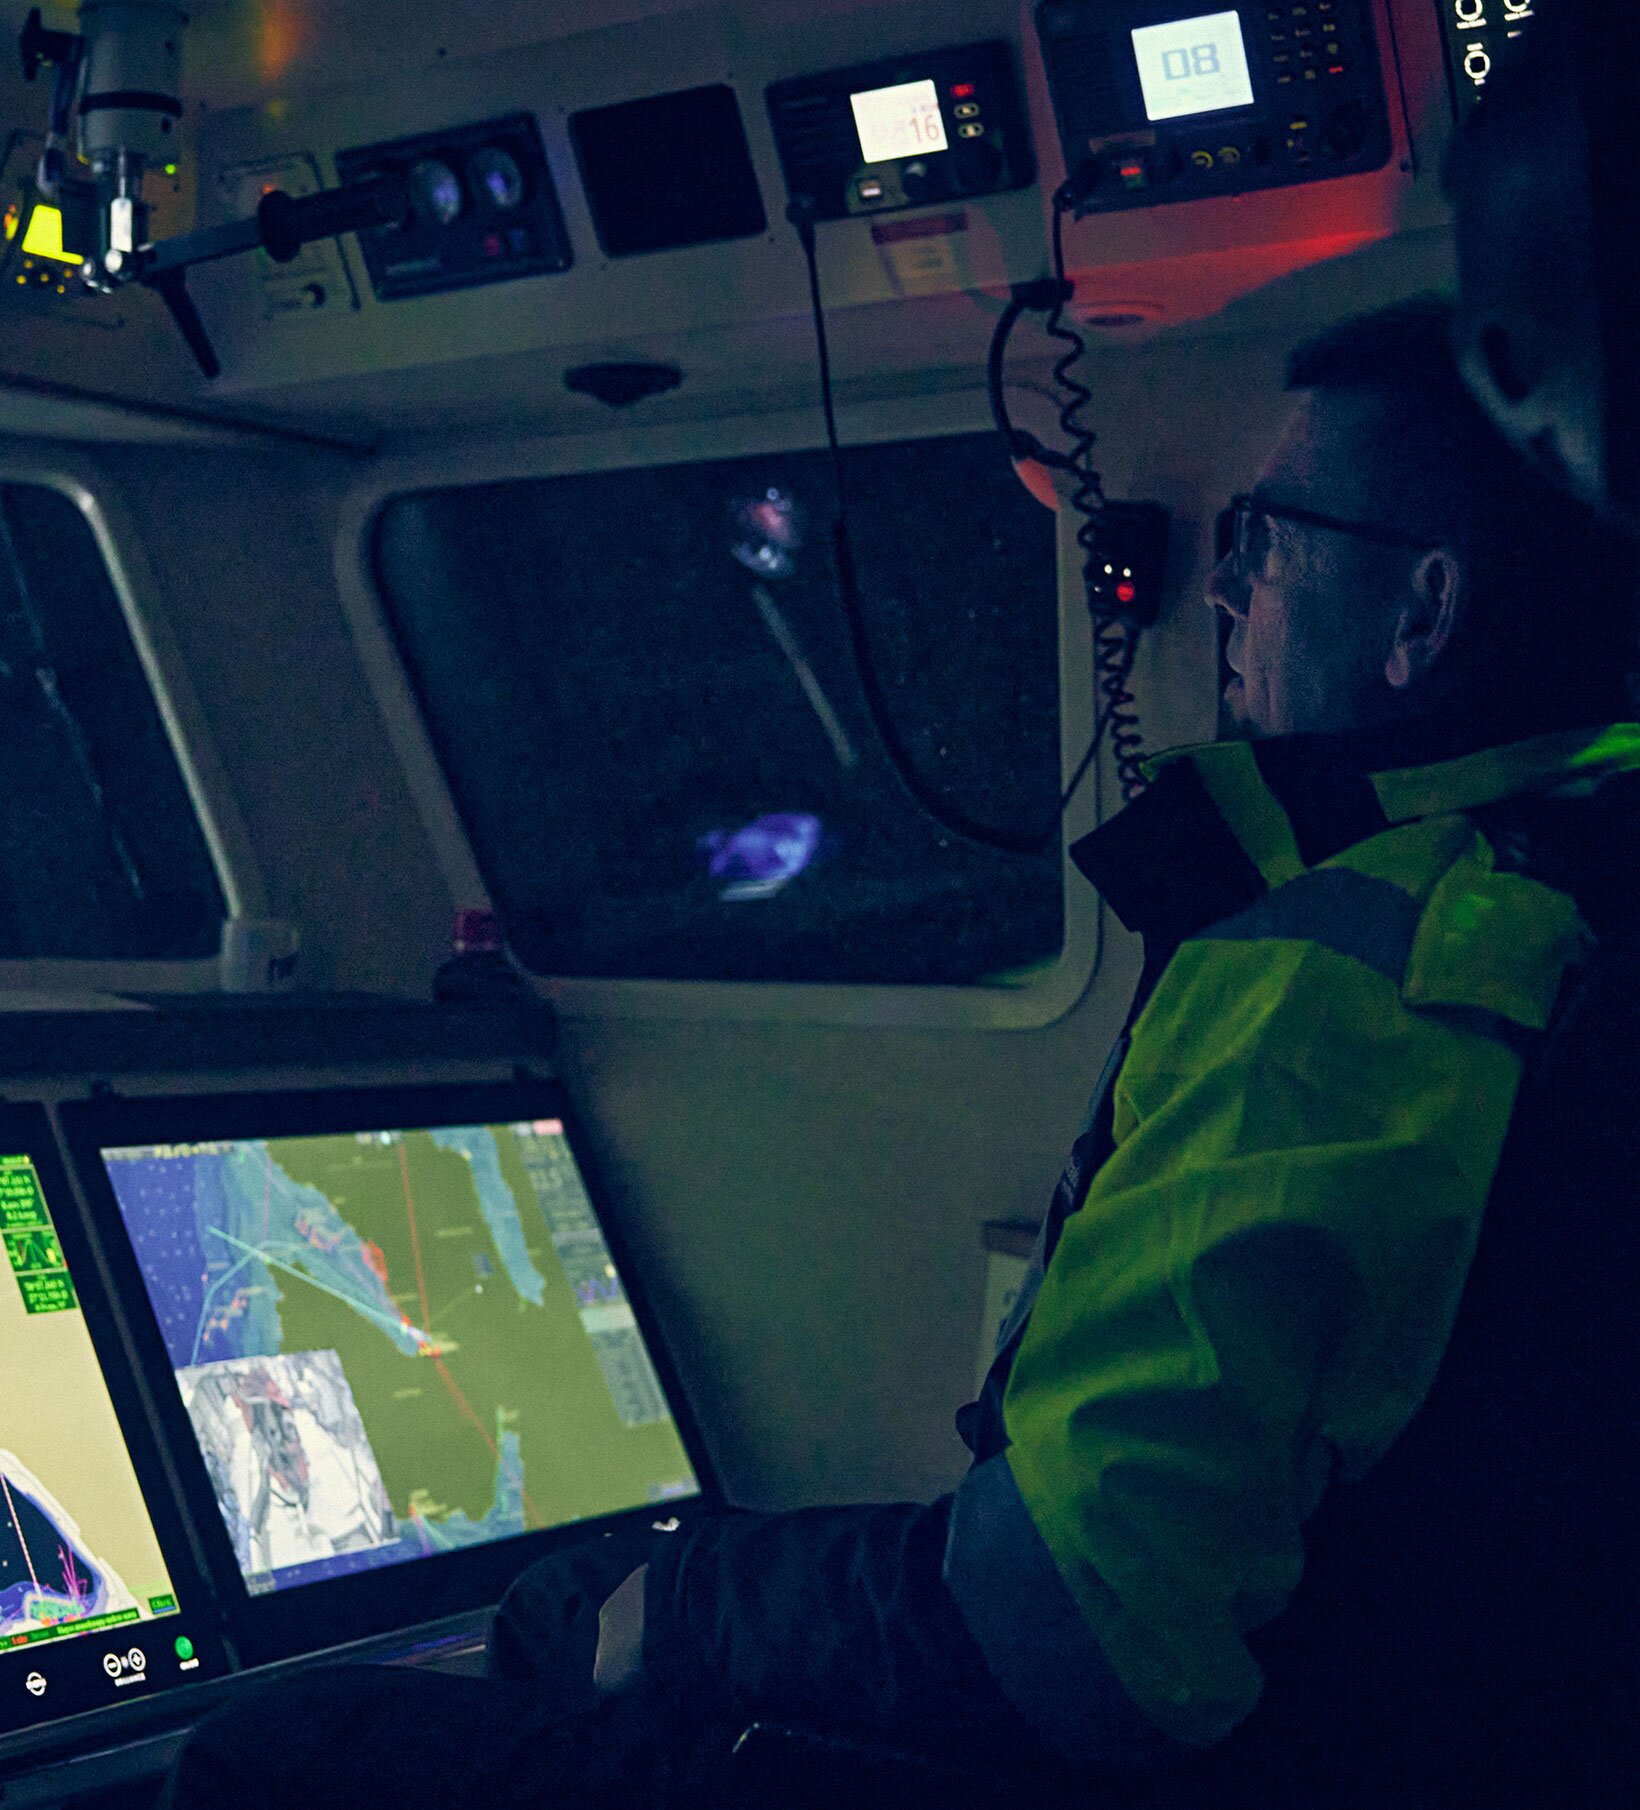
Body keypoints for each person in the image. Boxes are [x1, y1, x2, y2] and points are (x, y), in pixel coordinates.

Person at [163, 295, 1640, 1810]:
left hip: (1210, 1751)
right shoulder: (1573, 887)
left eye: (1268, 539)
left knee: (271, 1752)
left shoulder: (1350, 974)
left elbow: (1083, 1631)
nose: (1228, 589)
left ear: (1424, 613)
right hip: (1433, 1728)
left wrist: (679, 1608)